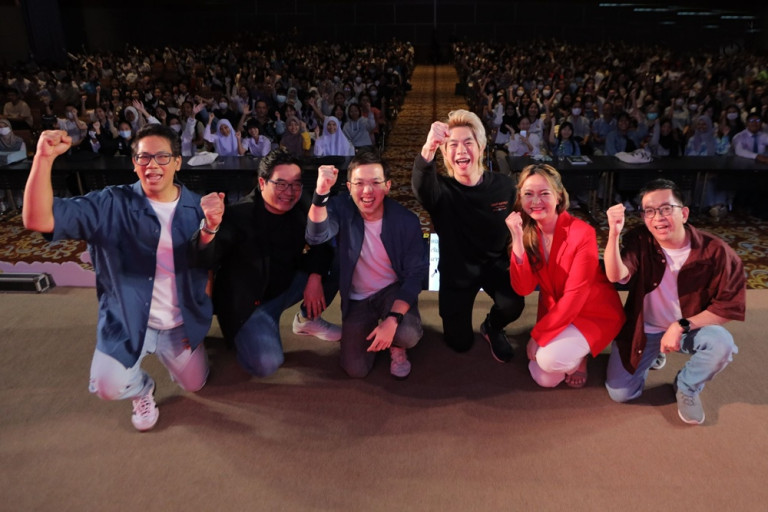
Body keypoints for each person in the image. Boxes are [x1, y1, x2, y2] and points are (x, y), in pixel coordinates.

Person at [21, 124, 215, 431]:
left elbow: (210, 267)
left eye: (162, 156)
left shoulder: (199, 208)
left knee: (196, 383)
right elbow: (37, 219)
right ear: (134, 163)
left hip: (179, 324)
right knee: (107, 386)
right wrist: (43, 158)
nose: (152, 165)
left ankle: (192, 352)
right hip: (127, 321)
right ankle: (142, 389)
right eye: (143, 157)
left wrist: (198, 314)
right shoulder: (110, 204)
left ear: (178, 162)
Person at [603, 179, 746, 425]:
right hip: (644, 329)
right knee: (621, 394)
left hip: (690, 327)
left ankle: (687, 386)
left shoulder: (717, 252)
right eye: (649, 211)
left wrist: (680, 325)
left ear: (684, 213)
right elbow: (616, 275)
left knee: (721, 344)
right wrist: (614, 233)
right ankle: (653, 354)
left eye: (666, 209)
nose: (658, 217)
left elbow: (727, 307)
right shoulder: (639, 240)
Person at [195, 148, 340, 377]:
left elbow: (320, 241)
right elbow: (202, 258)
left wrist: (315, 277)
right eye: (281, 184)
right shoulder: (239, 215)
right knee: (267, 363)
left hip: (287, 285)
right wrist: (210, 227)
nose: (289, 192)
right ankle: (248, 333)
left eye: (295, 184)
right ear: (262, 182)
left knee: (336, 260)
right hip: (251, 304)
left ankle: (307, 319)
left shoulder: (302, 201)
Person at [412, 109, 525, 362]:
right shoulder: (440, 190)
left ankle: (492, 326)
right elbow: (420, 187)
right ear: (445, 153)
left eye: (468, 142)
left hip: (495, 264)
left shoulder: (505, 186)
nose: (461, 150)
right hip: (457, 271)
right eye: (452, 145)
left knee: (513, 304)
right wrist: (429, 147)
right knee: (459, 342)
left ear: (481, 147)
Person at [306, 151, 427, 379]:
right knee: (355, 369)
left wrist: (393, 320)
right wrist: (321, 193)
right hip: (357, 298)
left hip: (392, 290)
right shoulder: (340, 208)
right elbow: (316, 236)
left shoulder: (406, 220)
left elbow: (415, 275)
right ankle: (371, 330)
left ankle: (396, 345)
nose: (367, 191)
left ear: (388, 186)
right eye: (359, 183)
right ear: (349, 187)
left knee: (407, 334)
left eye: (375, 183)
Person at [505, 164, 624, 387]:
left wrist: (538, 335)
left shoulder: (582, 233)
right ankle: (572, 355)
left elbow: (575, 297)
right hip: (558, 310)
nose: (536, 201)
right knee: (545, 379)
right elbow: (524, 288)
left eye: (544, 193)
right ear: (520, 198)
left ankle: (581, 356)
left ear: (559, 196)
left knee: (547, 360)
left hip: (592, 311)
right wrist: (518, 240)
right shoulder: (529, 233)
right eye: (528, 194)